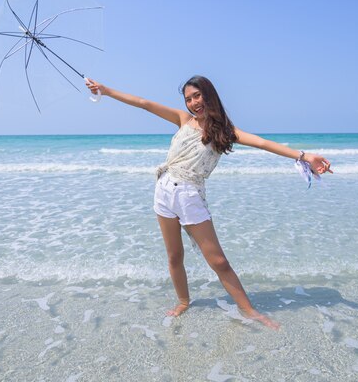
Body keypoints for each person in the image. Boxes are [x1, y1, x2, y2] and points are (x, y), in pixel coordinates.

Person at [85, 76, 331, 329]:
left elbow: (264, 143)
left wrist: (305, 156)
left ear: (209, 95)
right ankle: (183, 301)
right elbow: (144, 103)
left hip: (190, 197)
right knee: (174, 256)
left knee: (219, 261)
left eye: (197, 96)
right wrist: (105, 91)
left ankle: (248, 310)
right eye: (188, 99)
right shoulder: (183, 119)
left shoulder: (226, 132)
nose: (193, 103)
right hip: (164, 191)